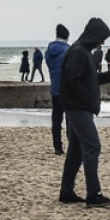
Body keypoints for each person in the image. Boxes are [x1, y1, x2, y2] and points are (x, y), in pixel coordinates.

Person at [58, 17, 110, 207]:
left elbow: (87, 79)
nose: (103, 42)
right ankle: (94, 194)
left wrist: (108, 77)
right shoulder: (78, 52)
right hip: (79, 108)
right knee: (93, 146)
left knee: (76, 150)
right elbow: (72, 80)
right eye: (102, 38)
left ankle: (66, 191)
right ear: (94, 35)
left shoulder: (82, 52)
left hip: (78, 107)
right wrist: (85, 99)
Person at [44, 24, 71, 155]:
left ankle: (57, 146)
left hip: (55, 88)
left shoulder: (48, 51)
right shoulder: (68, 50)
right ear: (67, 36)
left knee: (56, 119)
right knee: (70, 119)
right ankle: (72, 144)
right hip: (67, 89)